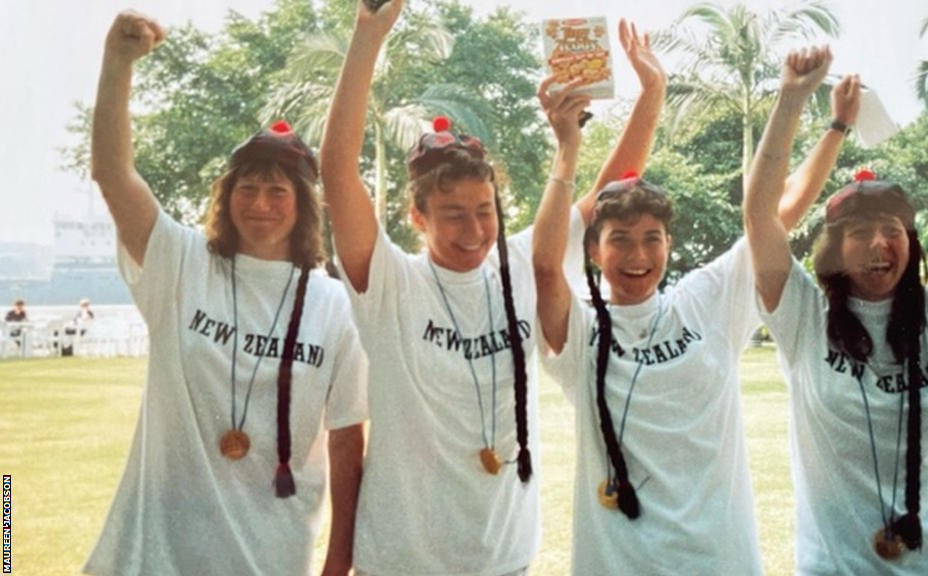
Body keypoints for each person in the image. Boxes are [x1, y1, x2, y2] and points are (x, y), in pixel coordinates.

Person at [319, 1, 664, 573]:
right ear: (417, 216)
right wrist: (366, 36)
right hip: (404, 560)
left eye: (484, 210)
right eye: (452, 214)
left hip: (505, 557)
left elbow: (611, 189)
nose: (474, 229)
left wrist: (650, 92)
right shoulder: (389, 282)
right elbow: (336, 171)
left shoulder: (526, 264)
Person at [532, 43, 861, 573]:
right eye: (619, 239)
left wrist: (818, 116)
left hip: (718, 559)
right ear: (593, 251)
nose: (638, 256)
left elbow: (780, 211)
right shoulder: (583, 331)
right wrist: (567, 150)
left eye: (652, 238)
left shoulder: (707, 301)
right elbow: (545, 266)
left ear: (669, 244)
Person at [84, 10, 368, 576]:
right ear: (226, 195)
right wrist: (117, 63)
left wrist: (339, 563)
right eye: (248, 186)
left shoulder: (332, 302)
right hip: (153, 553)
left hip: (271, 554)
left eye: (277, 189)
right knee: (7, 540)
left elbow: (345, 440)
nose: (261, 201)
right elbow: (114, 175)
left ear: (303, 205)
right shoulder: (182, 262)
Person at [744, 45, 928, 574]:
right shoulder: (804, 316)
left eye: (892, 231)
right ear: (833, 250)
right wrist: (791, 99)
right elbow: (761, 218)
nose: (879, 245)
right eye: (859, 233)